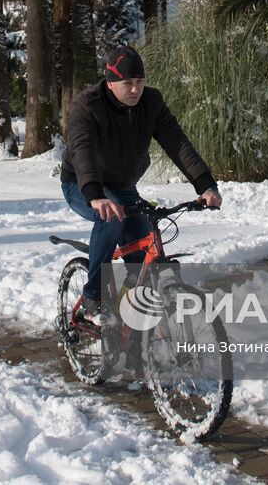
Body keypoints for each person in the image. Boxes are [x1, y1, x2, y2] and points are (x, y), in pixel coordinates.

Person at [59, 45, 223, 326]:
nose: (135, 90)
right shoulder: (86, 105)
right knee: (111, 219)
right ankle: (93, 297)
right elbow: (82, 151)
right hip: (83, 184)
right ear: (110, 83)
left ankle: (128, 322)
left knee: (142, 256)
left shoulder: (152, 102)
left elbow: (178, 143)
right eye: (127, 84)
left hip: (123, 185)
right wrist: (96, 196)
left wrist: (205, 185)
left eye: (139, 82)